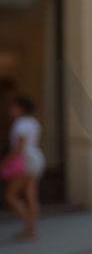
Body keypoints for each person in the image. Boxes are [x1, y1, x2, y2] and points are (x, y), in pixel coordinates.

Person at [1, 96, 45, 240]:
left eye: (13, 107)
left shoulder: (20, 124)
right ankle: (31, 228)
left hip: (25, 161)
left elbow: (18, 148)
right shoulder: (33, 122)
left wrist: (4, 162)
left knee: (11, 196)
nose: (10, 110)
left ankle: (30, 224)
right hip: (36, 158)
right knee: (31, 196)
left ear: (20, 108)